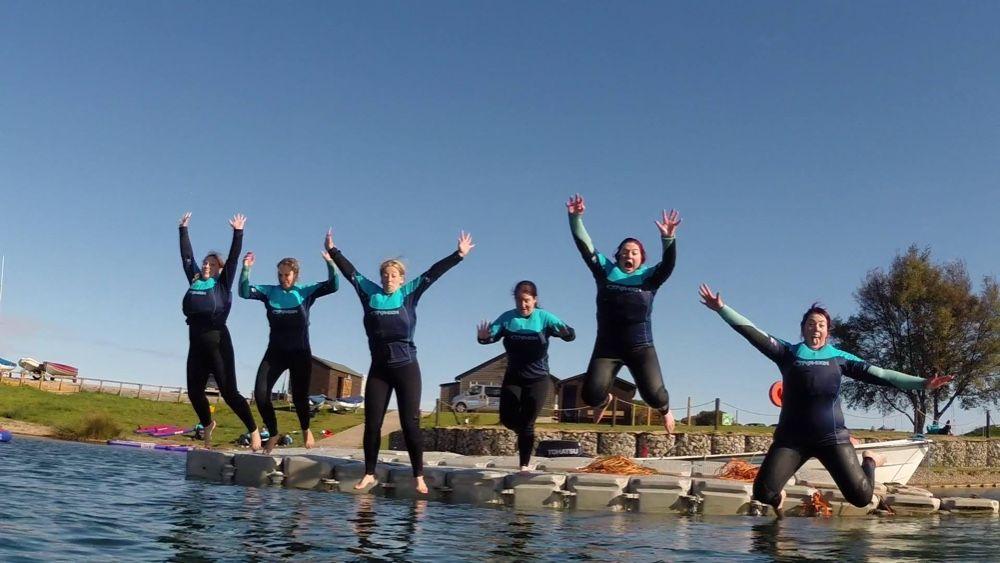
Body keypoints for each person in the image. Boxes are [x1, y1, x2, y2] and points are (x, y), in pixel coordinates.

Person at [698, 283, 954, 517]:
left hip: (832, 439)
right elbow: (753, 332)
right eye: (811, 323)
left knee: (861, 498)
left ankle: (870, 460)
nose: (816, 328)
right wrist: (722, 309)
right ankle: (779, 498)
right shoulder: (787, 353)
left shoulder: (840, 358)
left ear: (827, 332)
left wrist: (923, 383)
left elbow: (883, 374)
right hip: (791, 440)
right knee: (763, 494)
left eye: (821, 324)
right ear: (803, 329)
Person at [327, 229, 474, 493]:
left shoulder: (408, 293)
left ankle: (418, 475)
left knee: (410, 423)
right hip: (379, 370)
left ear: (401, 278)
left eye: (393, 275)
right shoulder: (369, 293)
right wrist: (334, 251)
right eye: (385, 275)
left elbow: (433, 273)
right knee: (373, 423)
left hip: (406, 367)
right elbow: (351, 273)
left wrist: (458, 255)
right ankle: (369, 473)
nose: (389, 279)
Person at [565, 194, 679, 432]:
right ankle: (604, 401)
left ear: (641, 259)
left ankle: (665, 409)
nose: (629, 255)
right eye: (625, 251)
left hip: (641, 347)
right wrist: (575, 218)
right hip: (607, 347)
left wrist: (668, 238)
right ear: (617, 256)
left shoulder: (649, 277)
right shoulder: (605, 271)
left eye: (635, 252)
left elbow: (668, 265)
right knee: (591, 395)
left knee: (655, 396)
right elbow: (585, 248)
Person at [239, 245, 339, 452]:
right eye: (280, 274)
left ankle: (305, 429)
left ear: (295, 275)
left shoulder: (305, 291)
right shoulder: (270, 292)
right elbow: (244, 292)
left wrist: (330, 263)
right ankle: (273, 432)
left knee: (300, 396)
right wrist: (246, 268)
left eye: (287, 275)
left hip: (300, 352)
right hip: (275, 352)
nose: (283, 278)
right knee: (261, 393)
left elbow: (333, 286)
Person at [178, 212, 260, 449]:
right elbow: (186, 257)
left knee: (229, 392)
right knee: (194, 392)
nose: (206, 265)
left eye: (212, 264)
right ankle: (207, 424)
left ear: (218, 269)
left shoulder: (222, 285)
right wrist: (183, 230)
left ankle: (253, 430)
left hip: (218, 344)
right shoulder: (195, 280)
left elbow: (233, 259)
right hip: (196, 345)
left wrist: (238, 233)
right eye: (205, 262)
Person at [477, 280, 576, 470]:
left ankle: (524, 466)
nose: (523, 305)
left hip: (538, 380)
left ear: (534, 300)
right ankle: (523, 432)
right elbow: (489, 337)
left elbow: (569, 335)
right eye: (519, 300)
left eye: (527, 300)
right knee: (508, 419)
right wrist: (483, 338)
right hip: (513, 377)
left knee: (528, 423)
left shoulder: (544, 317)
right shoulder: (507, 318)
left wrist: (566, 333)